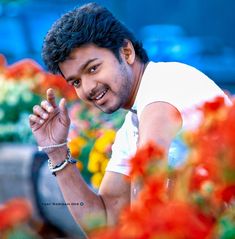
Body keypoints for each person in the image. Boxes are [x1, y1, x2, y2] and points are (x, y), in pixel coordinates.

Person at [29, 2, 231, 232]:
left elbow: (144, 215)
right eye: (76, 81)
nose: (87, 88)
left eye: (93, 68)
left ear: (126, 51)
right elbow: (106, 222)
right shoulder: (133, 122)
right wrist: (56, 151)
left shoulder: (162, 90)